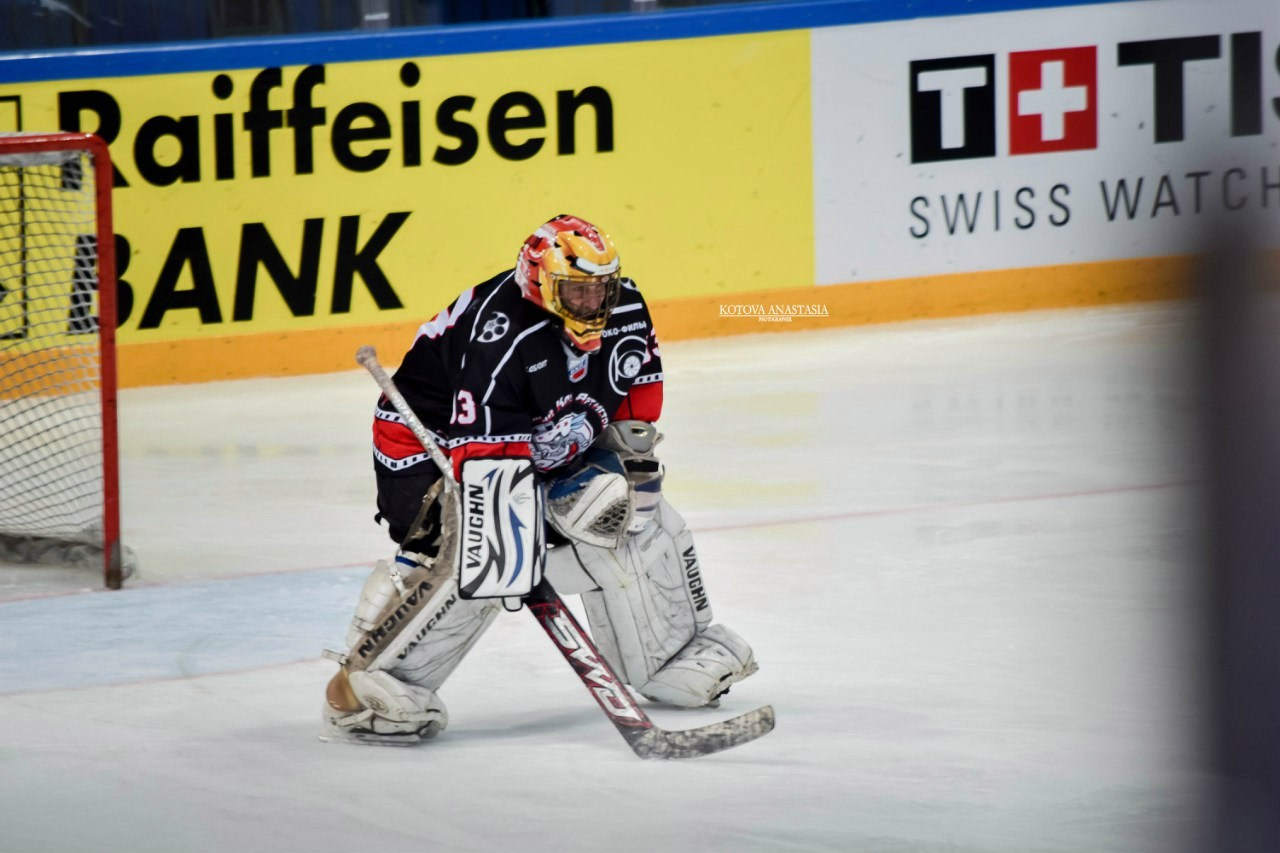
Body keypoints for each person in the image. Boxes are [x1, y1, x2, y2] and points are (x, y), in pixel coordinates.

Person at [322, 214, 757, 744]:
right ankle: (373, 684)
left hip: (545, 432)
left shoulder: (626, 307)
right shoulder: (499, 334)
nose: (593, 302)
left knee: (628, 514)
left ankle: (665, 656)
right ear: (541, 284)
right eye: (576, 291)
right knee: (488, 554)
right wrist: (518, 529)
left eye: (601, 289)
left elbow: (636, 408)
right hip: (432, 446)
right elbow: (488, 464)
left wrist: (625, 474)